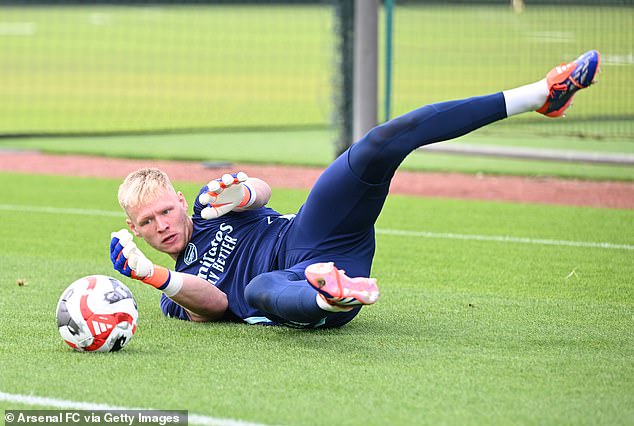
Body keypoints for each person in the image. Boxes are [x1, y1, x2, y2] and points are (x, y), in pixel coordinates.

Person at [110, 50, 600, 328]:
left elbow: (259, 190)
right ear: (136, 230)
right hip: (294, 281)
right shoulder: (173, 294)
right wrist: (152, 274)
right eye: (148, 224)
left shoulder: (206, 205)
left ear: (178, 200)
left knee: (377, 143)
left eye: (165, 212)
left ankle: (541, 95)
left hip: (309, 231)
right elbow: (214, 305)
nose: (163, 226)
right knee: (259, 289)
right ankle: (335, 296)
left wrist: (246, 192)